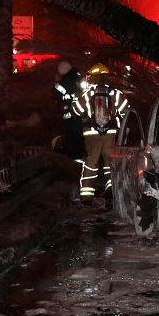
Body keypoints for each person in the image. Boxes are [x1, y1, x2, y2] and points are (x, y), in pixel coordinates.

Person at [72, 63, 128, 207]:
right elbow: (126, 112)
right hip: (110, 134)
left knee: (91, 164)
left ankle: (86, 197)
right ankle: (111, 192)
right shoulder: (115, 93)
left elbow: (76, 110)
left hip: (91, 135)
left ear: (92, 78)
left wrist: (76, 98)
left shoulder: (87, 94)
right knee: (110, 164)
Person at [53, 61, 86, 189]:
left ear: (62, 72)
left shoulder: (63, 82)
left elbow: (55, 94)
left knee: (74, 147)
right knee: (83, 146)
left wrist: (57, 82)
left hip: (70, 121)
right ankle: (85, 171)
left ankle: (76, 174)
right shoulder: (81, 79)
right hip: (83, 120)